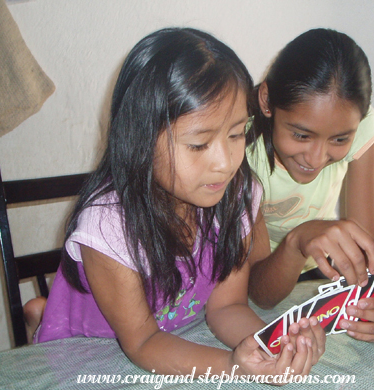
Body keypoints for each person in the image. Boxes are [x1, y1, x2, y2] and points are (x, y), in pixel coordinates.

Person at [29, 28, 325, 380]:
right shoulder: (108, 226)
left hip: (175, 333)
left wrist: (273, 345)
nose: (225, 163)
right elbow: (142, 343)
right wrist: (232, 366)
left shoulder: (235, 193)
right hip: (95, 347)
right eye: (199, 145)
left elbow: (227, 306)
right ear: (140, 138)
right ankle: (43, 316)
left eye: (235, 134)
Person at [246, 28, 374, 343]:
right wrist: (297, 241)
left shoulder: (362, 126)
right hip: (255, 282)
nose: (317, 158)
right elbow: (259, 293)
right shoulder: (239, 146)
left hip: (318, 274)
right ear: (267, 101)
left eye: (339, 139)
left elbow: (367, 256)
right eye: (301, 135)